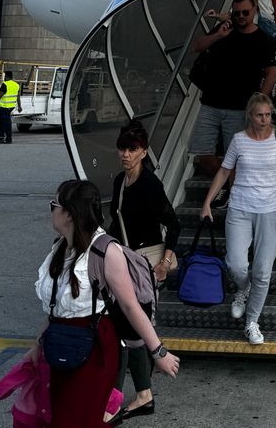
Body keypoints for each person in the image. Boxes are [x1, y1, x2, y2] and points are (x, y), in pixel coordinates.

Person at [31, 179, 179, 427]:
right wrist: (37, 345)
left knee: (78, 419)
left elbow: (130, 306)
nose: (51, 210)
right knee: (62, 416)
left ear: (69, 213)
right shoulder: (60, 246)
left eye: (53, 205)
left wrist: (158, 352)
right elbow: (57, 309)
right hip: (61, 347)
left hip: (92, 350)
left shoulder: (105, 251)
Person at [200, 93, 276, 345]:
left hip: (270, 210)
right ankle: (243, 289)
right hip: (240, 209)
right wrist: (207, 202)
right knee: (236, 264)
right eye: (259, 115)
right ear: (250, 116)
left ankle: (252, 322)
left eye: (268, 115)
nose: (265, 119)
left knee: (263, 272)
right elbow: (224, 171)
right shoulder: (239, 140)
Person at [107, 121, 181, 420]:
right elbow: (116, 223)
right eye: (122, 148)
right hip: (124, 258)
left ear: (143, 152)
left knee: (135, 326)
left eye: (132, 149)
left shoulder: (150, 184)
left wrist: (165, 262)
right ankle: (141, 395)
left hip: (147, 262)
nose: (125, 154)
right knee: (127, 326)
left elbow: (174, 224)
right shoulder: (119, 182)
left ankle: (137, 395)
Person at [188, 0, 276, 174]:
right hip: (211, 104)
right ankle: (225, 183)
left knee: (237, 157)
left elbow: (271, 73)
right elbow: (196, 46)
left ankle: (231, 186)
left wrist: (259, 101)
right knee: (202, 154)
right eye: (237, 13)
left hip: (240, 108)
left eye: (245, 12)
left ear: (254, 11)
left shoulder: (263, 40)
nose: (241, 16)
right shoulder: (224, 29)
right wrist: (217, 36)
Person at [0, 70, 22, 144]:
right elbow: (18, 97)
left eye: (5, 76)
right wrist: (19, 106)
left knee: (6, 123)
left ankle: (8, 139)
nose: (4, 78)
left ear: (7, 77)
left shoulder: (5, 84)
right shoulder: (16, 85)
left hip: (5, 107)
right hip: (11, 106)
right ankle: (1, 136)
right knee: (1, 121)